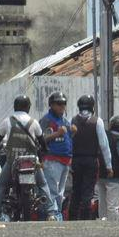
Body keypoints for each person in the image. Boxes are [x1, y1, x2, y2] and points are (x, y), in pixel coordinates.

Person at [0, 95, 56, 221]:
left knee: (1, 185)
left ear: (15, 107)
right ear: (28, 107)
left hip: (12, 161)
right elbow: (42, 142)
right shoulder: (34, 122)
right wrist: (44, 151)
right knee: (42, 184)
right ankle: (51, 213)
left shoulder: (7, 121)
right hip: (31, 162)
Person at [70, 95, 113, 220]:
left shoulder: (73, 120)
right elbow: (104, 145)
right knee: (88, 190)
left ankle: (72, 219)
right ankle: (85, 219)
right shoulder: (97, 121)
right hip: (91, 160)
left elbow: (70, 141)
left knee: (76, 189)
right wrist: (109, 166)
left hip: (76, 160)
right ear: (92, 107)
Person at [40, 92, 74, 220]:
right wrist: (56, 134)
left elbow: (67, 139)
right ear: (51, 105)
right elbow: (41, 139)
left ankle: (58, 213)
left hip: (65, 160)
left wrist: (73, 132)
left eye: (63, 104)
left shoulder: (64, 120)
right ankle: (53, 213)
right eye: (58, 104)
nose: (62, 107)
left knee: (60, 192)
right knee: (52, 189)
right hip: (52, 159)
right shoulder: (47, 120)